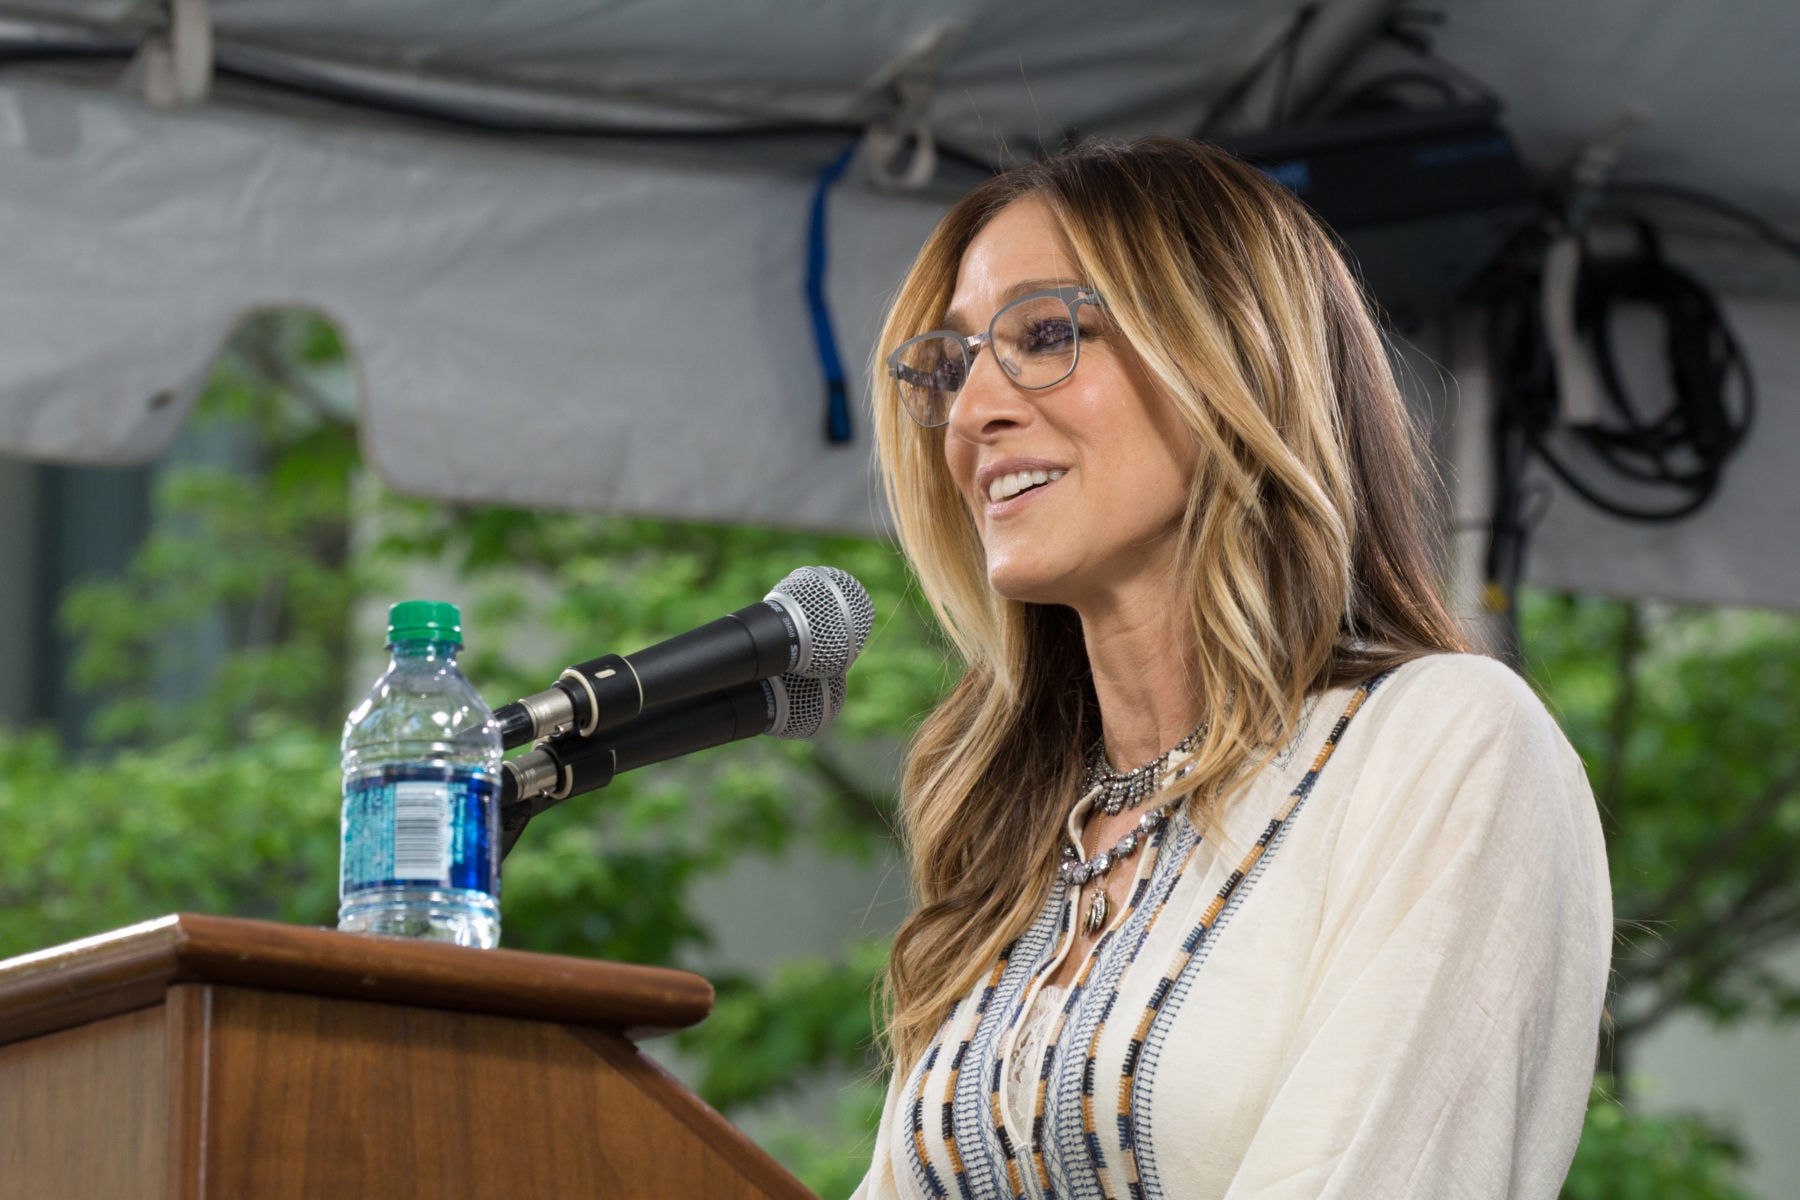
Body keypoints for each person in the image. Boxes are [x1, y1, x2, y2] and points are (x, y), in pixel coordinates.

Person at [853, 137, 1612, 1200]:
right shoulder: (1018, 833)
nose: (973, 411)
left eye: (1044, 334)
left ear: (1229, 357)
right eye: (952, 365)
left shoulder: (1444, 743)